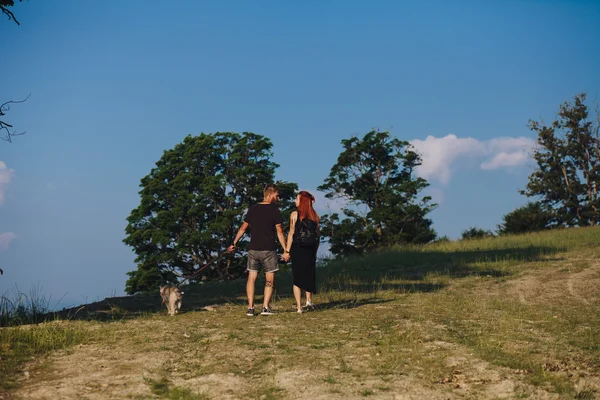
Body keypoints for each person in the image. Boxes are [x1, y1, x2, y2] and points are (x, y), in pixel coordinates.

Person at [228, 184, 288, 316]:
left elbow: (243, 228)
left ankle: (250, 307)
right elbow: (279, 232)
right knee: (269, 279)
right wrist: (286, 250)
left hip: (253, 249)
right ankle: (265, 307)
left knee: (251, 278)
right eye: (277, 195)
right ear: (270, 194)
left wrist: (234, 242)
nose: (277, 198)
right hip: (268, 249)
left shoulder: (252, 209)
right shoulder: (274, 210)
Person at [284, 190, 320, 314]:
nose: (295, 201)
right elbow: (317, 235)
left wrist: (287, 250)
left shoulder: (294, 214)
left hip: (298, 248)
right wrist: (315, 250)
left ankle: (299, 307)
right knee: (308, 274)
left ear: (302, 202)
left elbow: (291, 233)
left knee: (297, 277)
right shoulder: (315, 215)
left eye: (297, 199)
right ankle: (308, 300)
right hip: (310, 249)